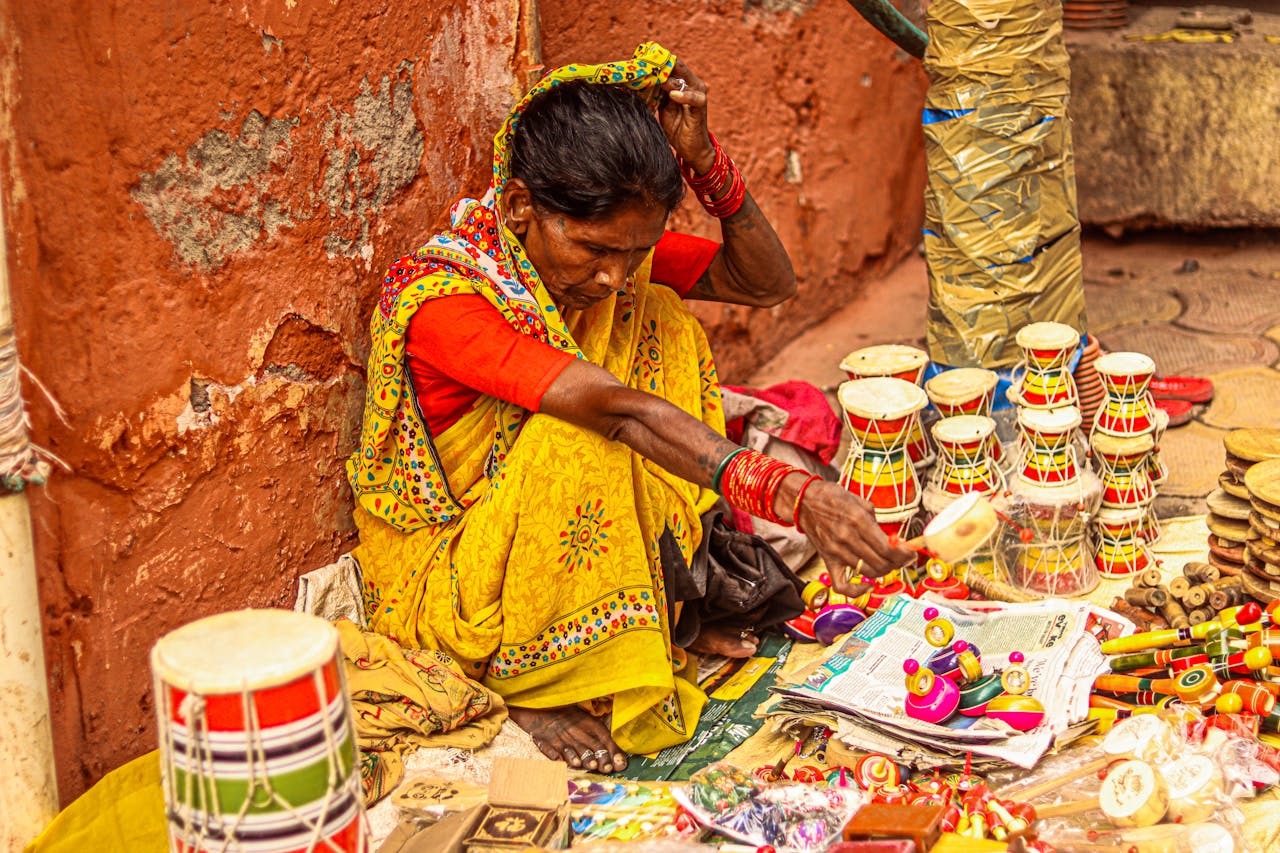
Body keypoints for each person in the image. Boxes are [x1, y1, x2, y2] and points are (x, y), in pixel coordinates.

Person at [347, 43, 913, 776]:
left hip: (549, 532)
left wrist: (705, 162)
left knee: (664, 321)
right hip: (456, 575)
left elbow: (765, 281)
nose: (613, 275)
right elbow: (617, 414)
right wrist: (794, 495)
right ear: (519, 206)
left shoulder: (606, 258)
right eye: (594, 250)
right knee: (577, 436)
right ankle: (527, 678)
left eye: (632, 249)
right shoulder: (447, 301)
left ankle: (658, 605)